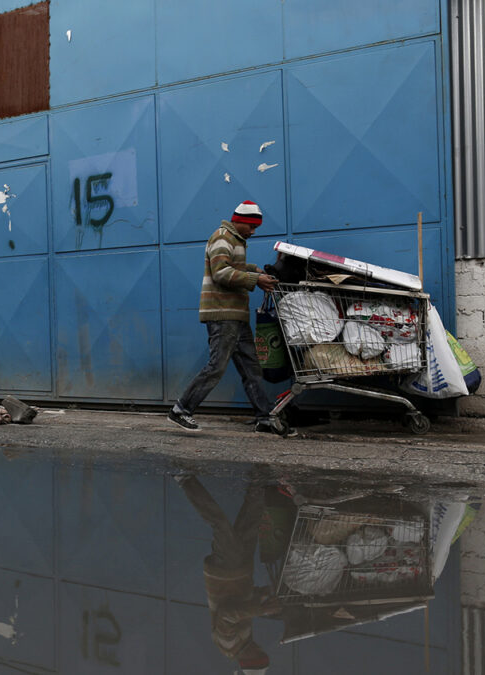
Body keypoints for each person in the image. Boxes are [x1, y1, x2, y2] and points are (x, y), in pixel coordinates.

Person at [169, 200, 278, 432]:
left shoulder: (235, 239)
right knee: (216, 366)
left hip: (236, 314)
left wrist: (255, 270)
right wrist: (255, 280)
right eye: (251, 226)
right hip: (222, 313)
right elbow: (221, 272)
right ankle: (181, 409)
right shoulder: (222, 238)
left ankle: (264, 418)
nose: (253, 231)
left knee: (251, 367)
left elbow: (233, 266)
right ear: (240, 222)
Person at [174, 472, 277, 674]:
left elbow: (228, 614)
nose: (259, 648)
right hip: (240, 575)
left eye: (258, 655)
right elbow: (242, 604)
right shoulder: (245, 642)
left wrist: (261, 610)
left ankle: (185, 480)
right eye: (262, 653)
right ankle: (260, 476)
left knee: (220, 525)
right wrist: (264, 594)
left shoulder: (228, 645)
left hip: (225, 574)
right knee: (251, 522)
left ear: (247, 661)